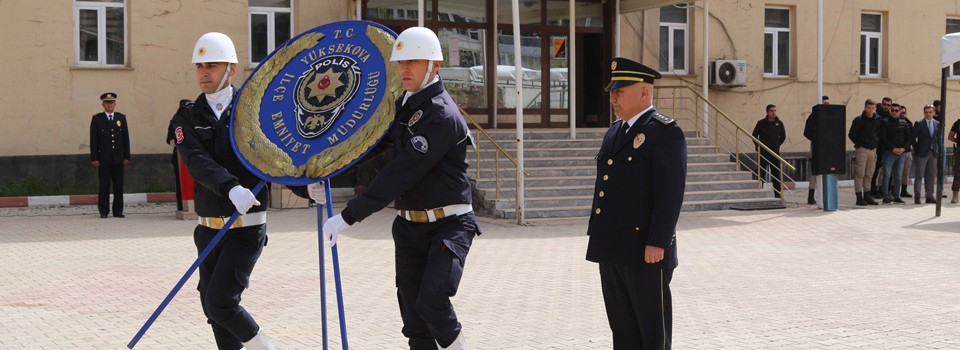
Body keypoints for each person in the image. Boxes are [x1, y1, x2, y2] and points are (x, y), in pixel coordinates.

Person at [321, 27, 479, 350]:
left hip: (448, 227)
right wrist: (325, 173)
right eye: (401, 61)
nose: (404, 68)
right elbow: (377, 150)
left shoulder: (441, 115)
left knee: (432, 303)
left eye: (414, 61)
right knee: (414, 323)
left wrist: (350, 215)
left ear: (434, 65)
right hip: (409, 228)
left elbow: (401, 172)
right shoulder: (406, 105)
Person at [170, 32, 275, 350]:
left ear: (230, 68)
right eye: (199, 66)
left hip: (245, 229)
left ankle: (264, 347)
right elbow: (196, 160)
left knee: (221, 302)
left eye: (212, 65)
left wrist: (306, 186)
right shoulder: (187, 116)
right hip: (207, 229)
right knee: (211, 306)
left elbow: (278, 156)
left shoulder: (254, 111)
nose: (204, 72)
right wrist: (230, 188)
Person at [586, 57, 686, 350]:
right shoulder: (615, 131)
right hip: (612, 248)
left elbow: (670, 194)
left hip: (646, 250)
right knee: (623, 330)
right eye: (612, 92)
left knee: (651, 333)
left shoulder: (665, 133)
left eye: (620, 91)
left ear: (644, 93)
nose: (613, 97)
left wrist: (658, 241)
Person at [89, 92, 131, 218]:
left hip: (118, 158)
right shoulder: (97, 119)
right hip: (104, 159)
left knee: (118, 186)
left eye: (112, 102)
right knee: (104, 186)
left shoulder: (121, 118)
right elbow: (94, 140)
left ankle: (118, 211)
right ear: (103, 104)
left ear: (115, 104)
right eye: (107, 102)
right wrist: (94, 158)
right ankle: (104, 211)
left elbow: (126, 139)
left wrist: (126, 156)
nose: (109, 105)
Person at [849, 99, 881, 206]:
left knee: (869, 173)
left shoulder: (877, 119)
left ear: (875, 108)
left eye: (872, 108)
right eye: (868, 107)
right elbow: (852, 134)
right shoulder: (859, 120)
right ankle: (859, 196)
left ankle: (867, 195)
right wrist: (859, 143)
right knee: (860, 173)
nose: (870, 110)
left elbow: (879, 133)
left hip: (873, 150)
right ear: (865, 107)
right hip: (862, 149)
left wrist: (876, 142)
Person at [878, 103, 910, 204]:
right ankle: (885, 197)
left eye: (896, 110)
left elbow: (908, 138)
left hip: (901, 153)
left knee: (898, 176)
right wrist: (893, 149)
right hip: (889, 152)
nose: (894, 112)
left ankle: (897, 196)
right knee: (887, 175)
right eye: (892, 110)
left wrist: (903, 149)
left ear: (900, 111)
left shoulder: (904, 123)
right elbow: (883, 138)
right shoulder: (884, 122)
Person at [752, 104, 787, 198]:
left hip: (775, 153)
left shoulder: (779, 123)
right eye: (771, 110)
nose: (773, 112)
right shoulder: (761, 123)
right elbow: (754, 135)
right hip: (763, 153)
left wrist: (776, 145)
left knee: (776, 174)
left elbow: (783, 137)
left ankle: (777, 194)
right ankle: (759, 192)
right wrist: (758, 146)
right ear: (767, 112)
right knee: (761, 172)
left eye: (775, 110)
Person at [804, 96, 831, 205]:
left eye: (828, 104)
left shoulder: (830, 116)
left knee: (828, 171)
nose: (826, 106)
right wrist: (816, 140)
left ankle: (826, 196)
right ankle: (811, 196)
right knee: (815, 172)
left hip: (828, 148)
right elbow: (806, 132)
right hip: (816, 148)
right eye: (824, 104)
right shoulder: (813, 117)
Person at [911, 105, 940, 204]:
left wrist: (937, 149)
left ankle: (929, 196)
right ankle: (917, 197)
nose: (928, 114)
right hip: (921, 153)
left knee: (931, 175)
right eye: (926, 112)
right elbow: (912, 138)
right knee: (919, 176)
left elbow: (938, 138)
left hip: (933, 153)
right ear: (924, 113)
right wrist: (917, 149)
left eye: (930, 112)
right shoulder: (919, 123)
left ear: (934, 112)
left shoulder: (937, 124)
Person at [870, 97, 894, 199]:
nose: (886, 107)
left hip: (887, 147)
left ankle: (885, 190)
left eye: (888, 105)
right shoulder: (876, 116)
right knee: (874, 170)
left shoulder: (890, 116)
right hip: (877, 147)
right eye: (884, 104)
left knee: (888, 171)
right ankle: (872, 190)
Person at [899, 105, 913, 198]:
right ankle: (891, 191)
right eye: (901, 112)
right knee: (895, 172)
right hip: (896, 151)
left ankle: (904, 191)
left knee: (905, 172)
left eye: (904, 112)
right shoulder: (894, 122)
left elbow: (911, 137)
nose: (902, 114)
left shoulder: (909, 123)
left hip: (907, 151)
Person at [950, 116, 960, 203]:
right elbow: (950, 136)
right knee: (958, 173)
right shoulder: (957, 123)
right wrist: (958, 141)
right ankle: (955, 194)